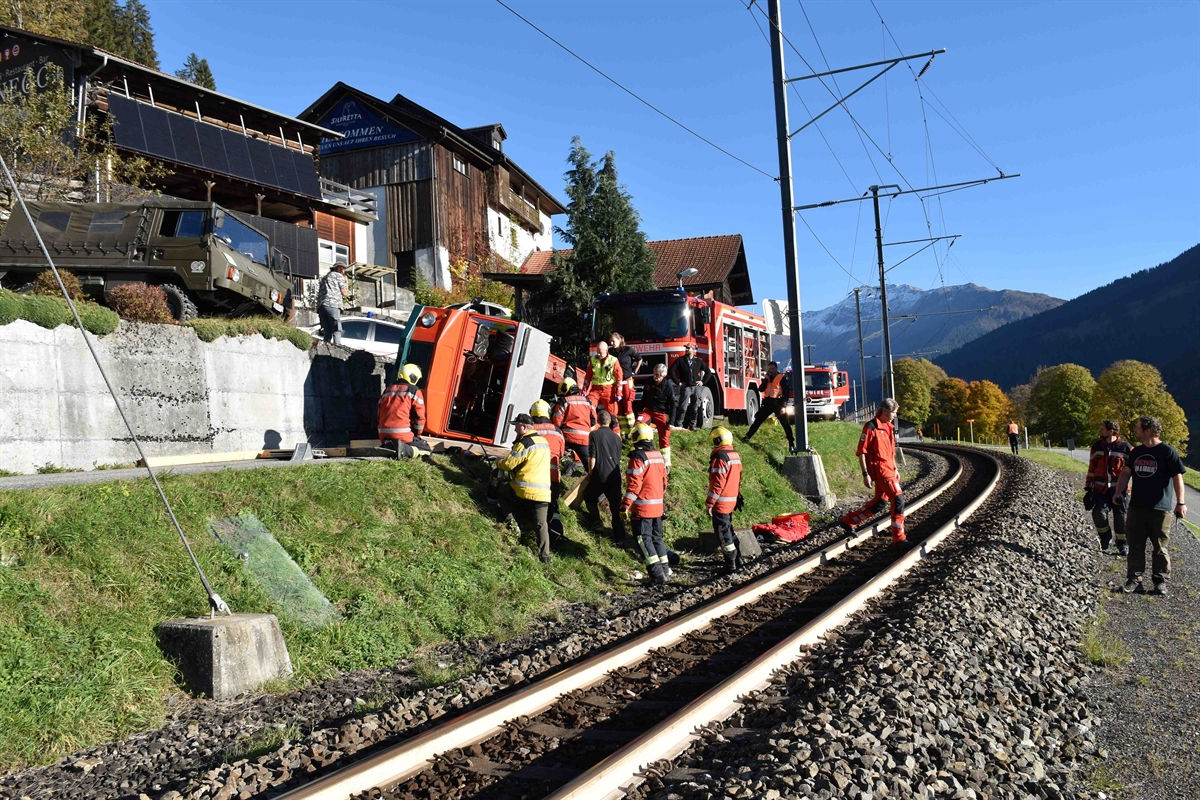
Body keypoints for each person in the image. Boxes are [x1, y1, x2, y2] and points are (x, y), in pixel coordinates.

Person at [1113, 415, 1187, 596]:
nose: (1136, 431)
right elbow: (1126, 473)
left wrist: (1181, 502)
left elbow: (1178, 477)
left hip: (1160, 509)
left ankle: (1160, 582)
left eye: (1138, 428)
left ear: (1148, 430)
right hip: (1137, 507)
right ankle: (1134, 580)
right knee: (1135, 545)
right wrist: (1118, 491)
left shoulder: (1168, 452)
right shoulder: (1136, 452)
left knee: (1160, 547)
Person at [840, 398, 906, 544]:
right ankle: (899, 538)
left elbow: (890, 452)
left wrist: (895, 468)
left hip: (889, 469)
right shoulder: (871, 427)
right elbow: (861, 452)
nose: (896, 415)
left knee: (880, 503)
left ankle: (848, 521)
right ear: (885, 411)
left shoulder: (889, 427)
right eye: (894, 412)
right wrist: (865, 474)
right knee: (898, 499)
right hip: (881, 471)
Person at [495, 413, 553, 563]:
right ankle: (545, 556)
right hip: (543, 492)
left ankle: (512, 524)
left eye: (516, 426)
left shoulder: (524, 443)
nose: (515, 430)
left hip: (524, 490)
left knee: (502, 491)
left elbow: (508, 464)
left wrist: (498, 462)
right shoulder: (544, 442)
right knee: (541, 524)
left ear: (524, 427)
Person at [622, 423, 670, 584]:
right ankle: (665, 571)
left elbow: (634, 486)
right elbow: (664, 482)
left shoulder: (638, 458)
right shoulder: (657, 455)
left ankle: (657, 575)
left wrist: (625, 506)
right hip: (658, 506)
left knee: (644, 540)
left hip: (643, 508)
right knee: (658, 538)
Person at [1085, 420, 1133, 555]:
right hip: (1101, 489)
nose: (1101, 430)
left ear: (1111, 431)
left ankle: (1122, 544)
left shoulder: (1126, 447)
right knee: (1098, 514)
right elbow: (1091, 468)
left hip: (1121, 490)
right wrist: (1088, 487)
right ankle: (1105, 538)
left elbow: (1134, 468)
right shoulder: (1096, 447)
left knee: (1121, 518)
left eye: (1103, 428)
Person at [583, 409, 626, 541]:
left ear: (597, 421)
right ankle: (620, 537)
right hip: (614, 476)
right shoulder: (617, 438)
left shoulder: (594, 435)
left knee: (589, 497)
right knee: (615, 507)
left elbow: (592, 456)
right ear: (609, 422)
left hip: (600, 474)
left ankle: (597, 523)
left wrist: (590, 473)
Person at [706, 427, 743, 573]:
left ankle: (730, 563)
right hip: (731, 499)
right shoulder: (734, 455)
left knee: (723, 533)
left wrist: (710, 503)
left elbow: (717, 484)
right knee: (729, 529)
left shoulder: (720, 457)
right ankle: (738, 558)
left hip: (721, 502)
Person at [530, 399, 566, 539]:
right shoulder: (558, 431)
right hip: (553, 478)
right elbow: (561, 454)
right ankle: (556, 534)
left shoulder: (531, 429)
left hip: (535, 476)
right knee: (553, 506)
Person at [377, 363, 431, 457]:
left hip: (383, 434)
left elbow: (379, 413)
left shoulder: (388, 390)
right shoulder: (414, 390)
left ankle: (390, 446)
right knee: (426, 450)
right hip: (402, 434)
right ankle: (404, 450)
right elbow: (420, 418)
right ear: (413, 377)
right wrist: (417, 435)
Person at [744, 361, 795, 451]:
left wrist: (784, 403)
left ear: (776, 369)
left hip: (778, 404)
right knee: (758, 420)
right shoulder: (767, 378)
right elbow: (761, 389)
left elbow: (786, 391)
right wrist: (766, 380)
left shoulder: (781, 377)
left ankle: (791, 443)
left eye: (772, 368)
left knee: (785, 424)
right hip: (768, 403)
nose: (771, 370)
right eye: (769, 369)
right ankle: (747, 437)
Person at [639, 362, 678, 469]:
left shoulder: (668, 385)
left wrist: (671, 422)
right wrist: (640, 410)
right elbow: (644, 397)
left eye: (658, 375)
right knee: (638, 425)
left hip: (661, 412)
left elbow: (673, 404)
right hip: (648, 410)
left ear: (663, 375)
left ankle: (666, 463)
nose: (655, 377)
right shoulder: (649, 381)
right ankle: (640, 452)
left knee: (664, 436)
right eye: (654, 374)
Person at [551, 376, 596, 468]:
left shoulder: (564, 401)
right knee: (590, 467)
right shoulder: (588, 401)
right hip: (584, 439)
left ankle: (562, 465)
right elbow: (594, 420)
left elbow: (557, 423)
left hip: (567, 438)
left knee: (555, 453)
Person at [609, 332, 643, 434]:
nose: (612, 343)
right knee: (619, 407)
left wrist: (635, 370)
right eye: (610, 341)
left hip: (627, 380)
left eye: (613, 341)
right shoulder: (611, 352)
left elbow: (639, 359)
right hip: (617, 382)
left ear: (619, 340)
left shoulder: (628, 350)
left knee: (628, 404)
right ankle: (624, 431)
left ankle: (632, 430)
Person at [669, 342, 708, 430]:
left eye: (688, 348)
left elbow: (708, 372)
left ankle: (692, 426)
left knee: (695, 408)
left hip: (696, 387)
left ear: (693, 350)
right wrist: (678, 382)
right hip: (686, 387)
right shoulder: (680, 360)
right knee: (683, 407)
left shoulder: (698, 361)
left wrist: (702, 381)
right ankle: (679, 425)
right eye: (686, 348)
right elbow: (671, 371)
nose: (686, 349)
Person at [584, 340, 623, 418]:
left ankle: (615, 430)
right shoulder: (592, 360)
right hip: (595, 389)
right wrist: (584, 391)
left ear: (606, 350)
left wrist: (619, 393)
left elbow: (619, 378)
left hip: (609, 389)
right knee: (589, 407)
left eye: (600, 352)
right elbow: (588, 377)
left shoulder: (613, 360)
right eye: (597, 352)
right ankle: (594, 426)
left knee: (612, 413)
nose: (598, 354)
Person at [316, 262, 349, 344]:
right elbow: (344, 293)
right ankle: (337, 348)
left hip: (322, 306)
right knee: (337, 329)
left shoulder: (324, 277)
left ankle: (325, 349)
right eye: (343, 268)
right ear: (339, 268)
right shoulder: (339, 276)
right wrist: (346, 282)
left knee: (327, 331)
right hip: (333, 305)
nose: (344, 271)